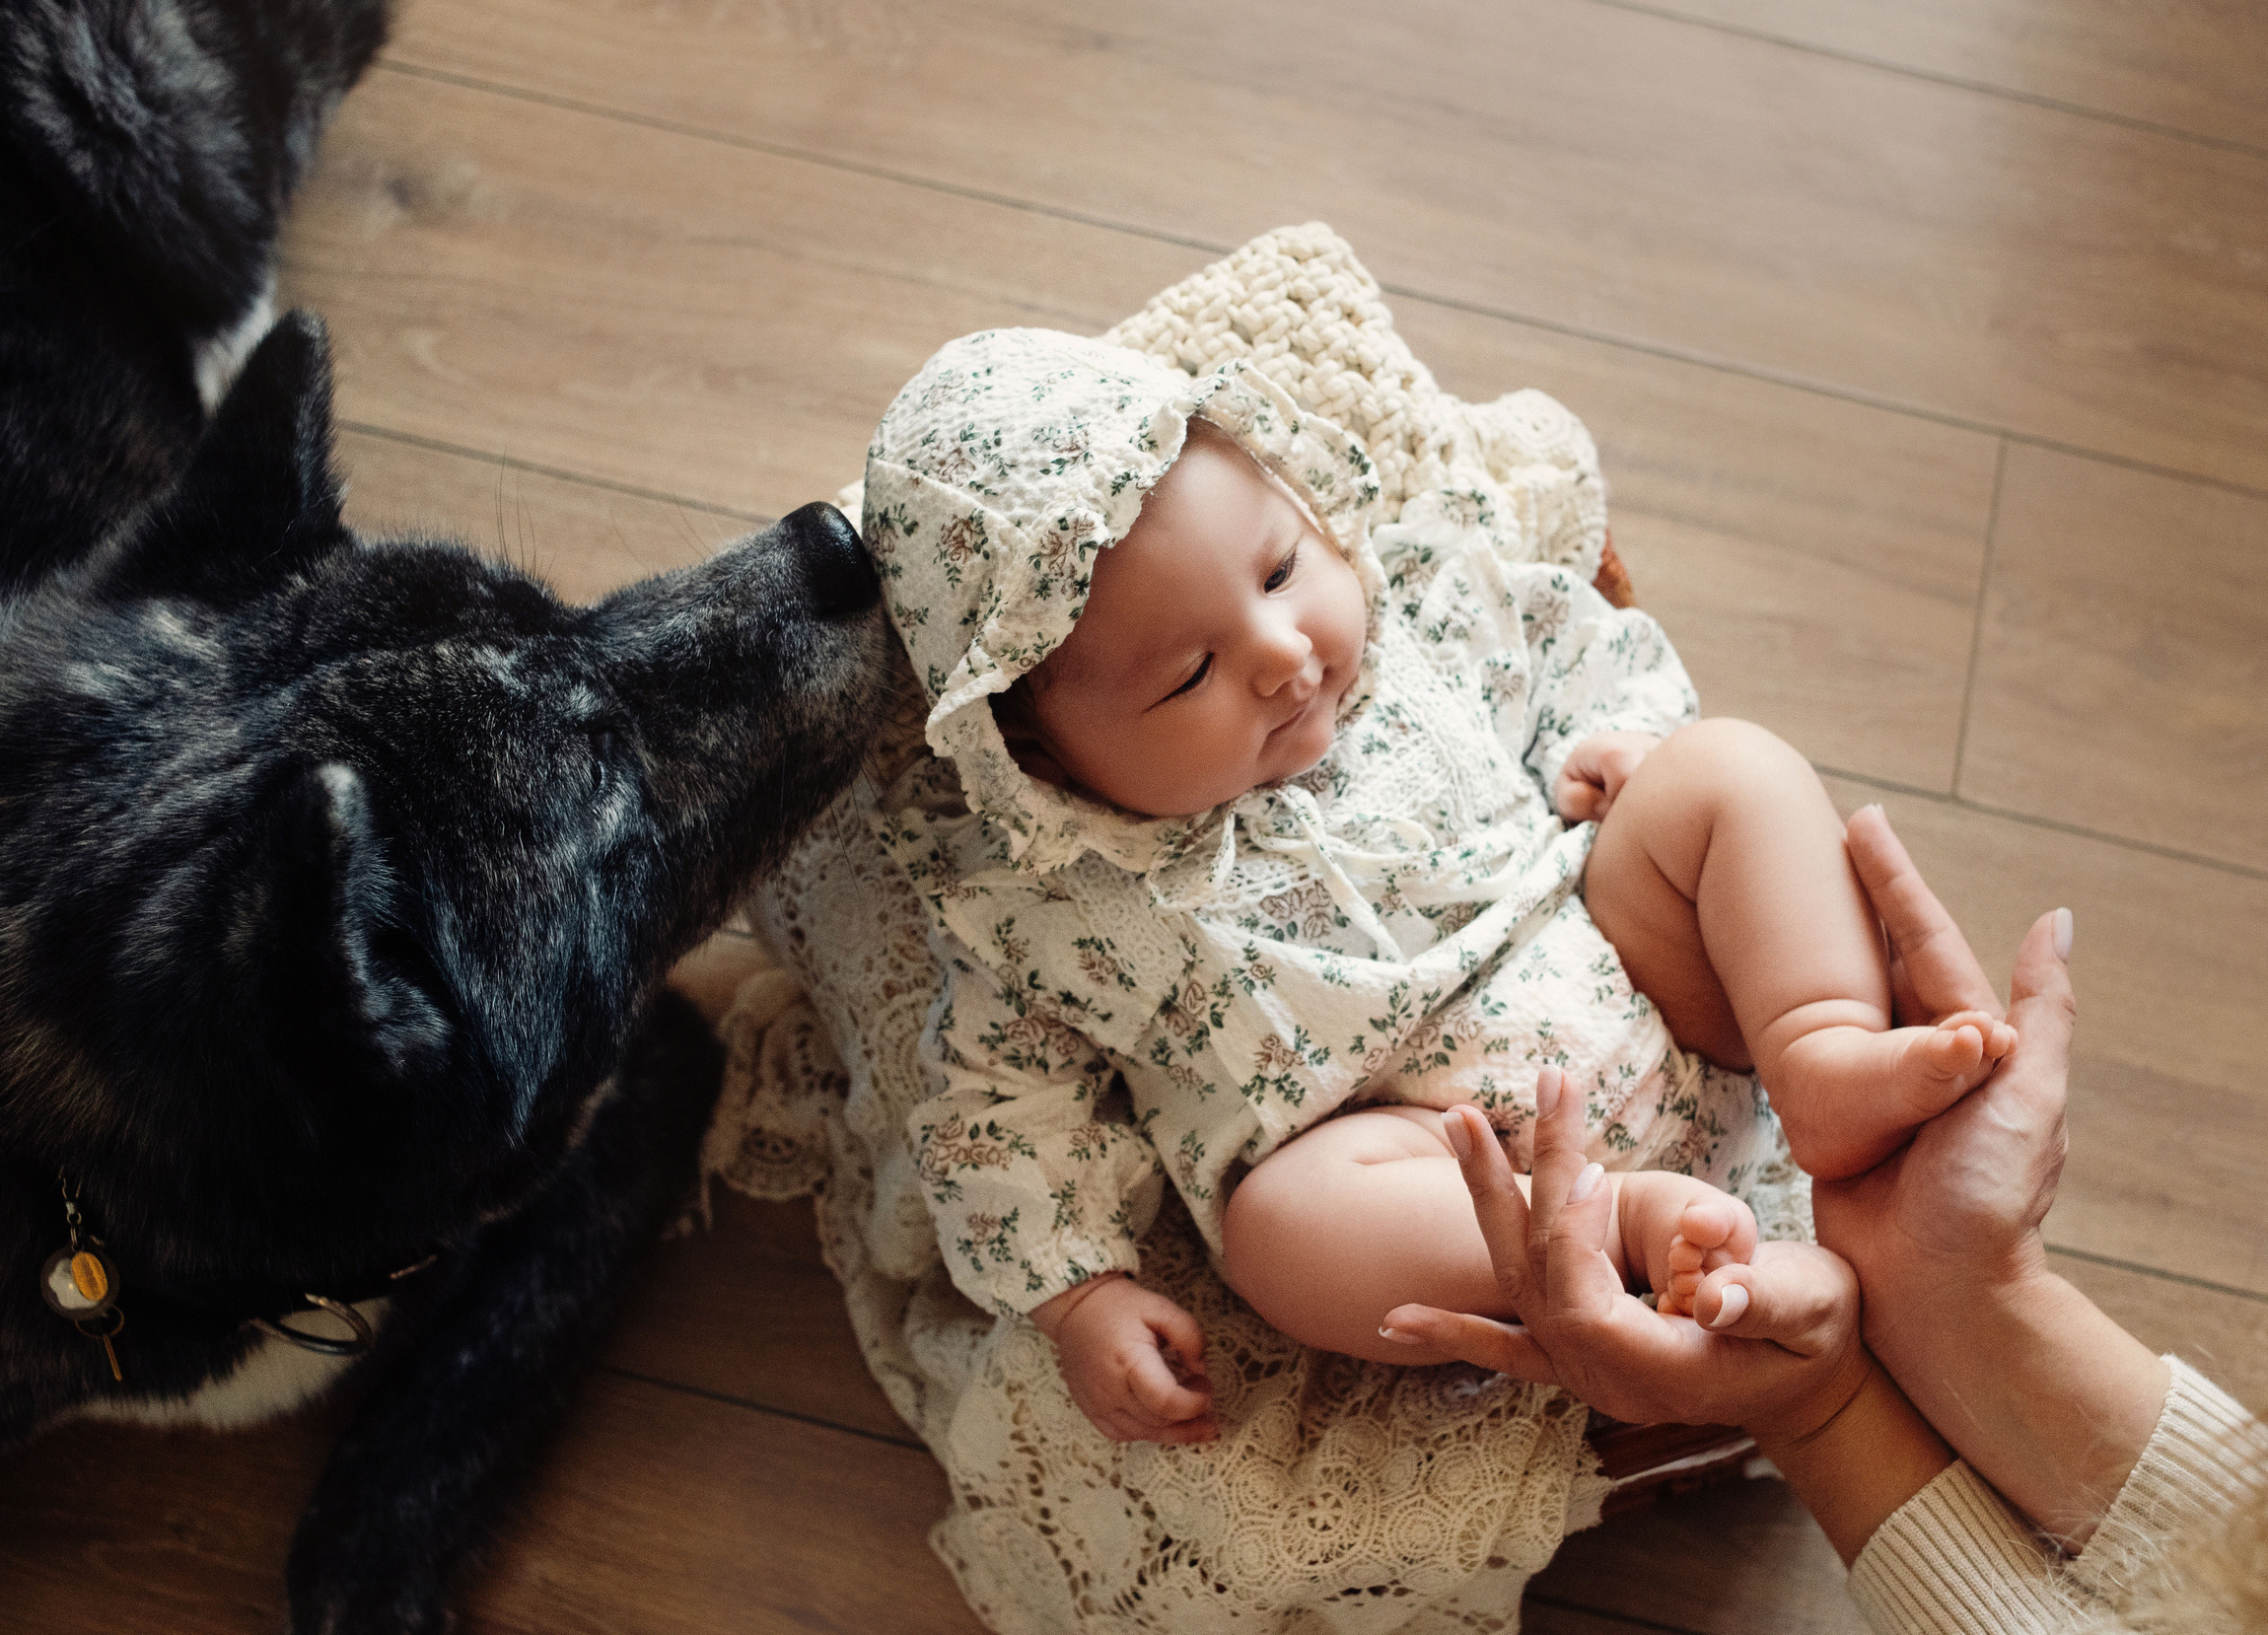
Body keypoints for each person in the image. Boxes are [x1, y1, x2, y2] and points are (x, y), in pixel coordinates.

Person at [857, 325, 2002, 1446]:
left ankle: (1822, 1047)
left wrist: (1618, 740)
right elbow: (997, 1115)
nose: (1282, 653)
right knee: (1280, 1232)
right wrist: (1078, 1295)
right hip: (1426, 1161)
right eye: (1192, 671)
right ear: (1040, 758)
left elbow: (1579, 643)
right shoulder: (1038, 904)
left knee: (1727, 769)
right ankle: (1626, 1233)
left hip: (1632, 969)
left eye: (1279, 568)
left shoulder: (1427, 612)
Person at [1378, 807, 2268, 1632]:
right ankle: (1823, 1058)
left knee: (1280, 1223)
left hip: (1445, 1135)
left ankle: (1760, 1092)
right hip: (1570, 997)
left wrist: (1830, 1399)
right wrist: (1965, 1290)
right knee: (1729, 780)